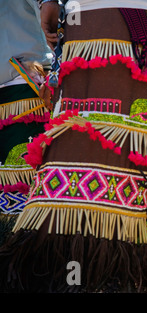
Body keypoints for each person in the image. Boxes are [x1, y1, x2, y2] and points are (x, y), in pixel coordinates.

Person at [0, 0, 147, 292]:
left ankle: (62, 257)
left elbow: (52, 13)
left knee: (75, 140)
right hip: (133, 32)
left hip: (83, 34)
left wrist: (51, 5)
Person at [0, 0, 52, 242]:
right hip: (16, 84)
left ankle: (24, 265)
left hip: (23, 86)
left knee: (24, 182)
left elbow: (52, 11)